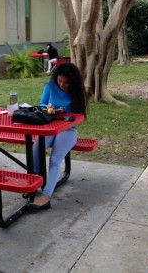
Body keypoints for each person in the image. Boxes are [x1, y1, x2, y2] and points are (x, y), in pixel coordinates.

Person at [28, 62, 87, 211]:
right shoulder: (50, 85)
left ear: (72, 82)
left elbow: (79, 116)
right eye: (60, 81)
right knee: (35, 150)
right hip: (49, 127)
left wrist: (64, 111)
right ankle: (34, 182)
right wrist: (48, 108)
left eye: (66, 82)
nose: (62, 85)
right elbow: (41, 104)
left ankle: (46, 195)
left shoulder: (78, 91)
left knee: (55, 159)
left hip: (68, 130)